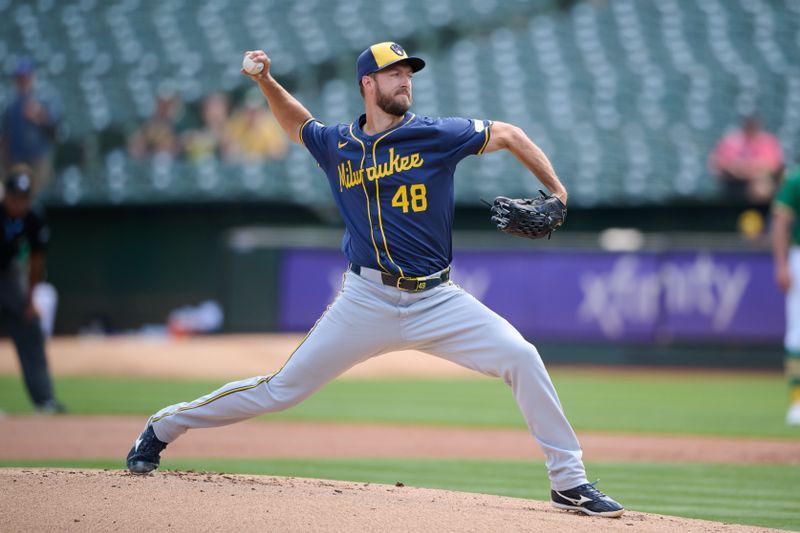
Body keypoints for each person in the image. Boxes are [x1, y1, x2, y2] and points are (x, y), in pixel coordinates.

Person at [126, 42, 625, 518]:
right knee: (281, 389)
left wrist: (557, 193)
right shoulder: (338, 144)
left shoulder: (436, 134)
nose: (405, 80)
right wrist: (266, 81)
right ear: (369, 83)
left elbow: (511, 134)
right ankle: (163, 425)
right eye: (395, 73)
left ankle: (568, 482)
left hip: (437, 299)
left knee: (522, 356)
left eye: (408, 73)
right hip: (365, 298)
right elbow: (299, 125)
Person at [0, 165, 64, 413]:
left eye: (24, 199)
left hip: (8, 273)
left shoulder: (32, 217)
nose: (19, 204)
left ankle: (44, 400)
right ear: (6, 195)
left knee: (30, 327)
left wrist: (29, 301)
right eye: (16, 198)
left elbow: (36, 261)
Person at [0, 58, 58, 194]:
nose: (23, 81)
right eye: (20, 78)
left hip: (38, 162)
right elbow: (4, 137)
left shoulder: (45, 101)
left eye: (26, 77)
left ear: (33, 77)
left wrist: (41, 116)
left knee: (38, 199)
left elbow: (56, 134)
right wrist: (5, 162)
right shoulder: (10, 105)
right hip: (15, 162)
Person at [770, 163, 800, 426]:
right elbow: (781, 223)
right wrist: (781, 265)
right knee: (798, 333)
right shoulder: (796, 179)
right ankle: (798, 401)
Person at [710, 115, 784, 205]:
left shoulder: (768, 141)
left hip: (761, 180)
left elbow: (773, 165)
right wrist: (746, 168)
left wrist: (750, 168)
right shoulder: (731, 141)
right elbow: (720, 164)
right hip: (734, 183)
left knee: (763, 185)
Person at [223, 87, 288, 163]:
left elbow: (278, 152)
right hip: (242, 164)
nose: (252, 115)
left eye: (256, 111)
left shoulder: (271, 124)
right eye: (250, 111)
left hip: (266, 165)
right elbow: (227, 152)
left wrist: (261, 156)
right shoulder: (237, 123)